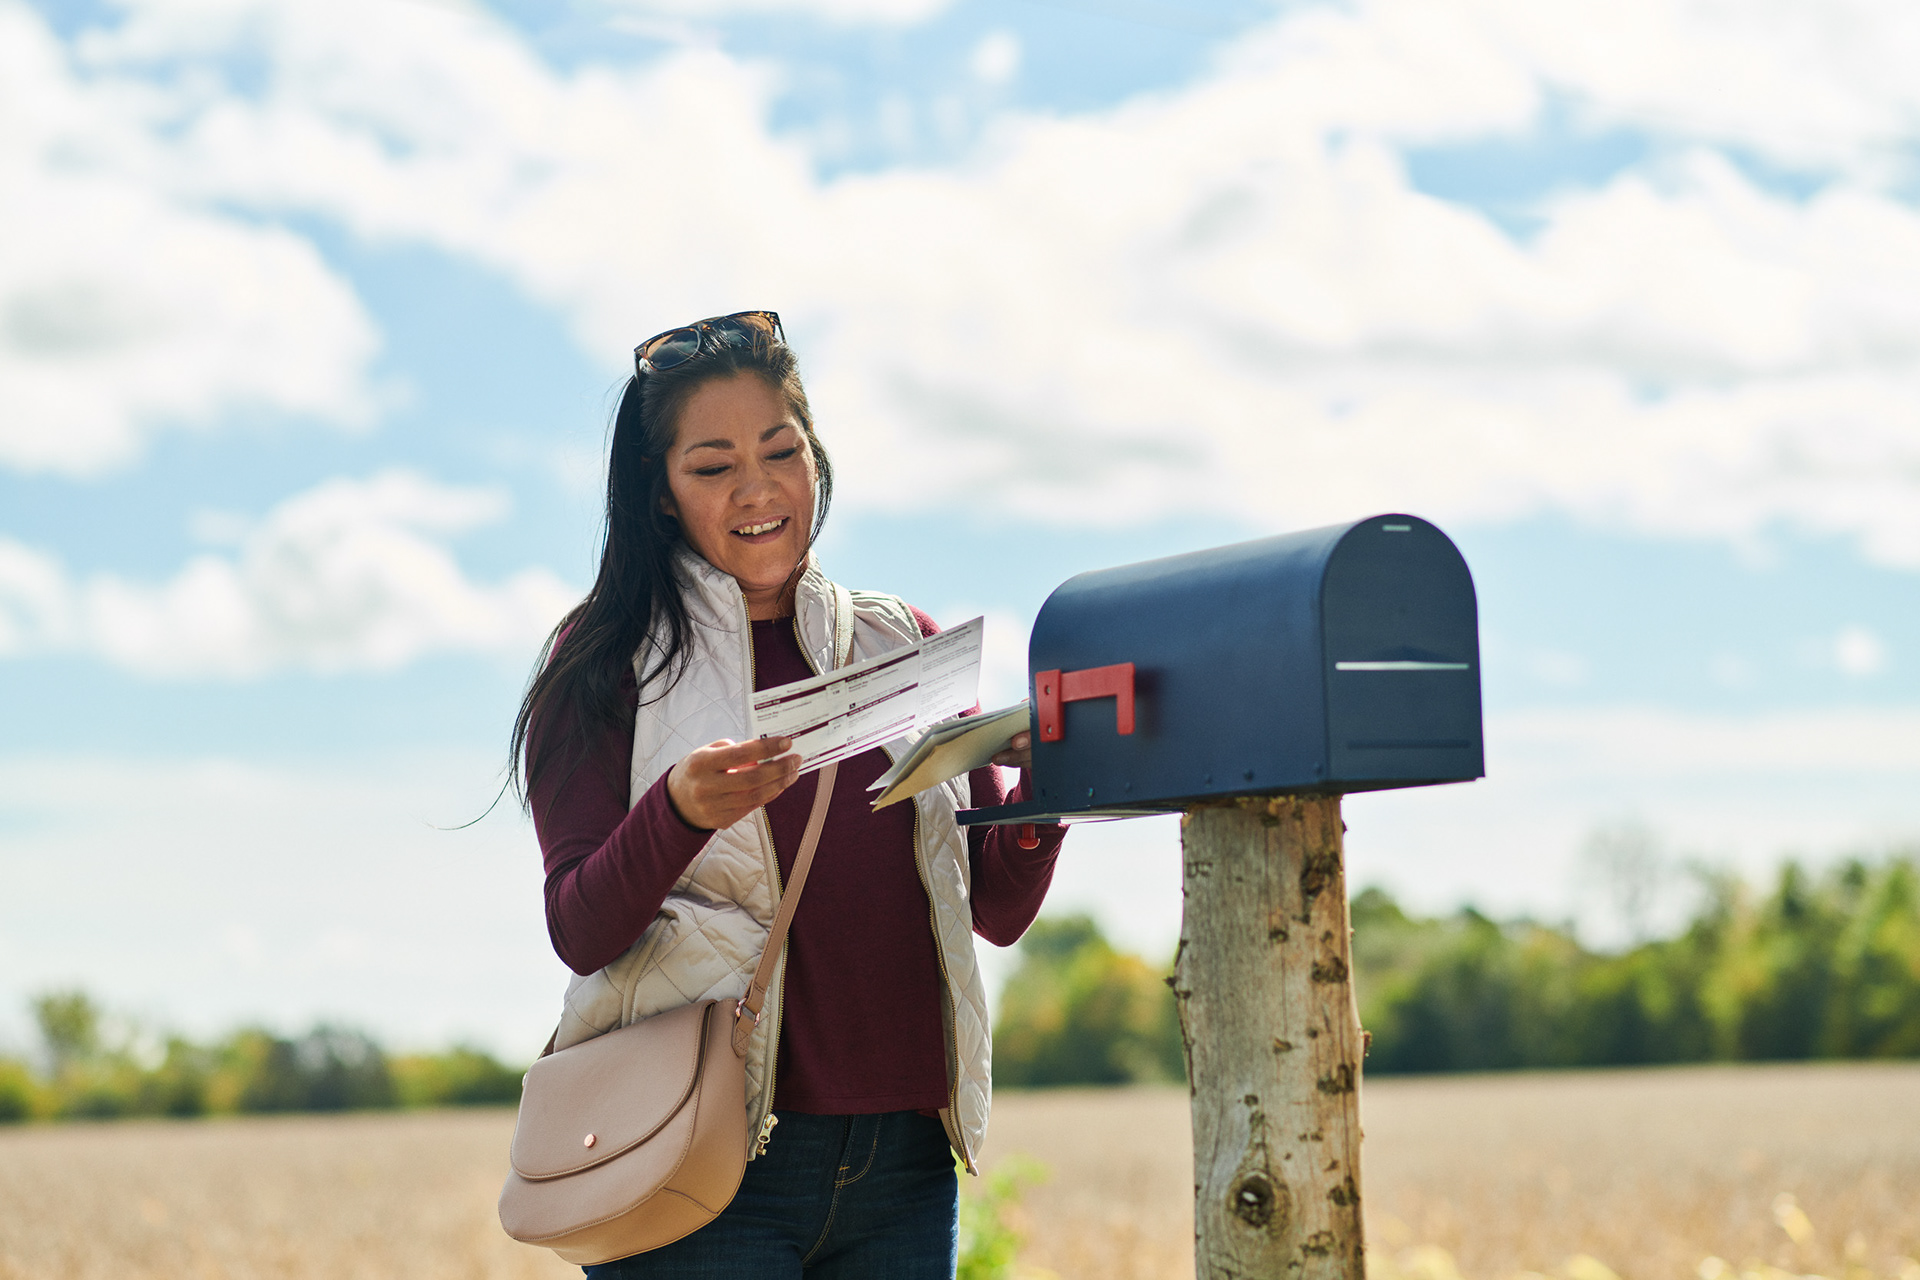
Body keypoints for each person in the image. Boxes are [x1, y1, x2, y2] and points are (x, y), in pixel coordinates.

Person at [511, 311, 1068, 1278]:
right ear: (660, 494)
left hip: (903, 1167)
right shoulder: (604, 662)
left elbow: (997, 913)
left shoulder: (904, 646)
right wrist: (680, 813)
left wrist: (1048, 784)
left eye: (781, 449)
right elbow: (580, 928)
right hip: (699, 1153)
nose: (758, 487)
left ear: (816, 456)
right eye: (712, 465)